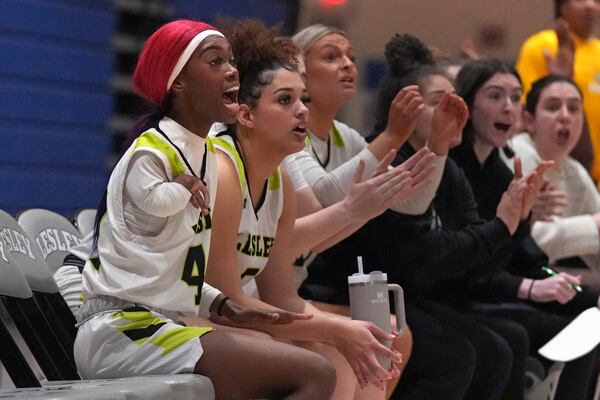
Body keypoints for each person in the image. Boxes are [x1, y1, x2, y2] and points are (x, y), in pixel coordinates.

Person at [74, 19, 338, 400]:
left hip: (156, 322)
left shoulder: (204, 153)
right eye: (215, 62)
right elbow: (147, 244)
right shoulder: (152, 152)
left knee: (296, 364)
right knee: (313, 373)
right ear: (178, 82)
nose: (232, 70)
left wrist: (226, 306)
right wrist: (182, 187)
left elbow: (174, 269)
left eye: (230, 61)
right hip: (121, 330)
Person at [201, 20, 402, 400]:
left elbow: (283, 297)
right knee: (323, 362)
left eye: (304, 100)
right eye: (285, 100)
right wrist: (336, 329)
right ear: (246, 114)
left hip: (237, 311)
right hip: (182, 319)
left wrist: (344, 331)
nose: (301, 112)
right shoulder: (223, 171)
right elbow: (228, 305)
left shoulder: (280, 182)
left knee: (353, 348)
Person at [449, 58, 599, 400]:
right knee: (517, 335)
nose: (508, 108)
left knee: (590, 304)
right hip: (463, 294)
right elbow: (470, 269)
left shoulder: (501, 172)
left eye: (515, 98)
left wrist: (547, 276)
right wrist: (530, 286)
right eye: (495, 96)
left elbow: (526, 253)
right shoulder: (456, 168)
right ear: (468, 104)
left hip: (504, 283)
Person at [511, 75, 600, 274]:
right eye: (552, 107)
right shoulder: (518, 153)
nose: (565, 116)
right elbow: (525, 244)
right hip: (512, 277)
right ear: (529, 120)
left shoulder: (574, 170)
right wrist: (593, 225)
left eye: (574, 108)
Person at [516, 0, 600, 179]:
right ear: (562, 6)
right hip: (554, 172)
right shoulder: (541, 45)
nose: (590, 6)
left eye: (596, 1)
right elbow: (524, 112)